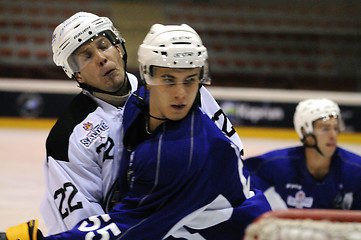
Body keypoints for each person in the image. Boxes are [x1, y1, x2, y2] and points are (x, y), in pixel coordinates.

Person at [1, 23, 271, 240]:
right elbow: (81, 217)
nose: (101, 58)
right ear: (77, 74)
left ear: (119, 47)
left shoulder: (175, 93)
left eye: (104, 46)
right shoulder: (67, 138)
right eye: (86, 56)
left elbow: (231, 149)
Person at [244, 98, 361, 210]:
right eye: (325, 129)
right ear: (305, 132)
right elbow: (241, 183)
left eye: (336, 128)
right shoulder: (277, 165)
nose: (333, 135)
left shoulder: (356, 170)